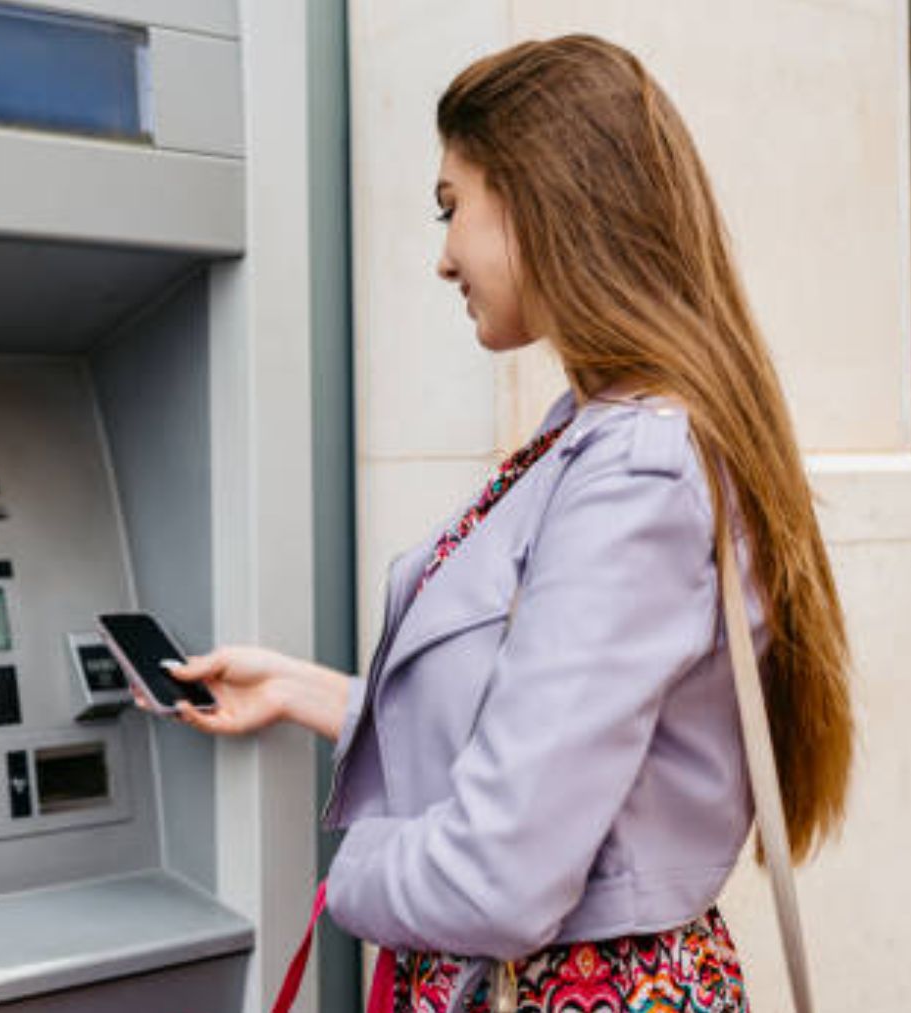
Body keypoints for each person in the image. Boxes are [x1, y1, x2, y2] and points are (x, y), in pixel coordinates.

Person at [155, 35, 855, 1013]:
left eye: (452, 206)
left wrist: (347, 872)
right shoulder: (601, 431)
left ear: (538, 197)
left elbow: (500, 872)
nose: (442, 257)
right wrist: (305, 690)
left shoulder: (635, 467)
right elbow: (542, 732)